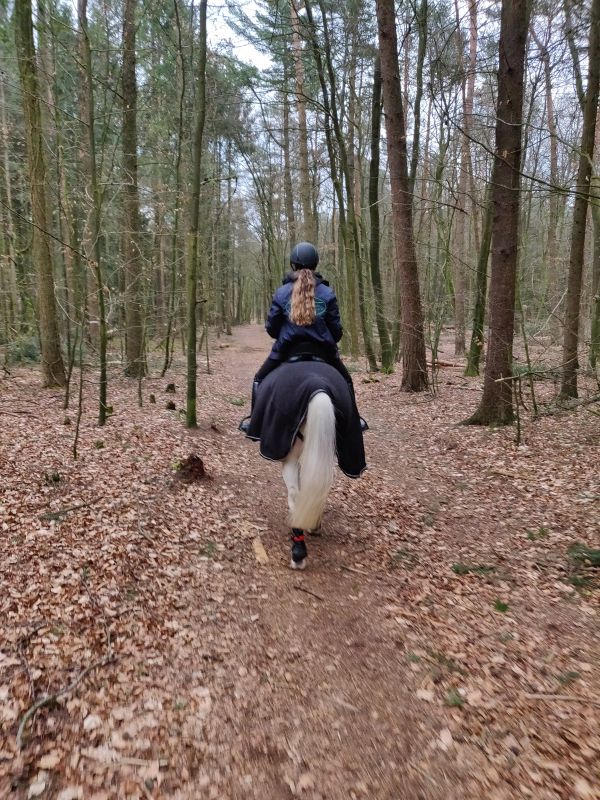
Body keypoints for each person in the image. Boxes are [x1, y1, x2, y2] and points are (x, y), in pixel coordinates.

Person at [240, 242, 367, 432]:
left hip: (286, 350)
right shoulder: (327, 293)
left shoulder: (281, 293)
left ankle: (254, 423)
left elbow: (272, 329)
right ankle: (355, 420)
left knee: (259, 378)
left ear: (293, 265)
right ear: (316, 264)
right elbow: (336, 332)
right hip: (323, 352)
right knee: (346, 380)